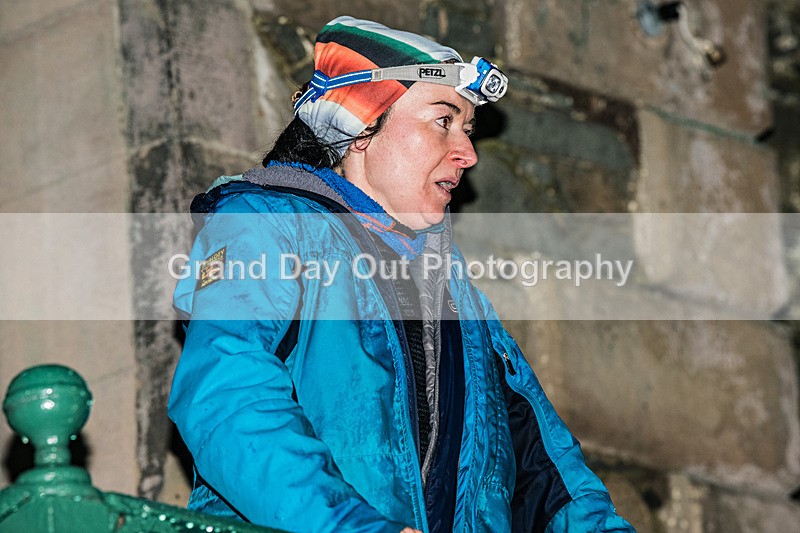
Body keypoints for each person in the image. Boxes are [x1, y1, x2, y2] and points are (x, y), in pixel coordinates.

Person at [168, 15, 634, 533]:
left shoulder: (459, 296)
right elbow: (228, 396)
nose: (469, 154)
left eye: (468, 129)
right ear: (361, 124)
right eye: (443, 121)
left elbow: (549, 478)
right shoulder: (267, 227)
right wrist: (350, 526)